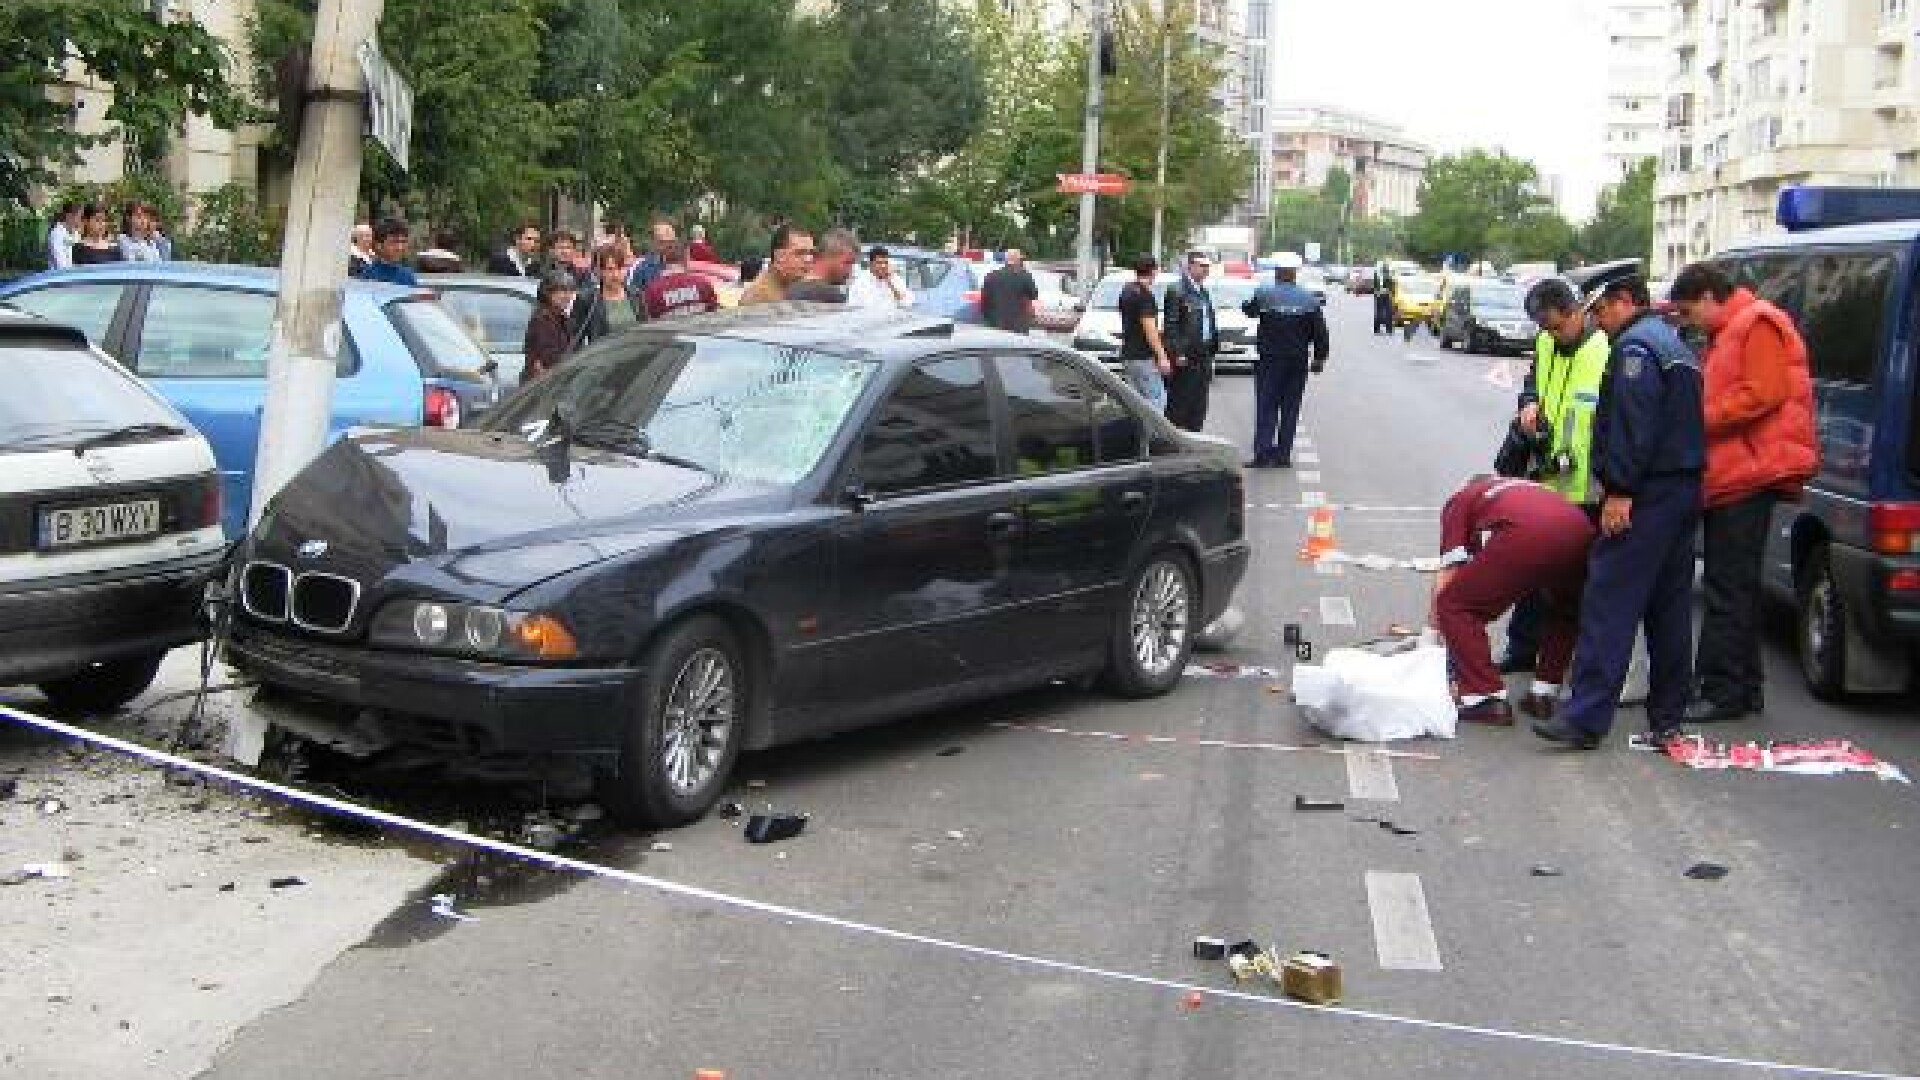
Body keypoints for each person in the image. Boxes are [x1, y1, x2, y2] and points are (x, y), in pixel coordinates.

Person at [1533, 271, 1705, 750]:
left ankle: (1586, 716)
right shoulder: (1671, 344)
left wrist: (1621, 491)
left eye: (1602, 309)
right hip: (1682, 490)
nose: (1598, 320)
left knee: (1608, 599)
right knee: (1668, 608)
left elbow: (1634, 426)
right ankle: (1668, 716)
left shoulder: (1634, 350)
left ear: (1625, 301)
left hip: (1645, 493)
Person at [1670, 261, 1817, 724]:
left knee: (1727, 587)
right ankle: (1742, 684)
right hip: (1737, 471)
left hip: (1748, 473)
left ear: (1711, 297)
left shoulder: (1758, 322)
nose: (1688, 322)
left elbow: (1764, 393)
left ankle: (1723, 690)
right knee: (1734, 585)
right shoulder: (1732, 329)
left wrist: (1701, 417)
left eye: (1689, 311)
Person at [1498, 277, 1610, 677]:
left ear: (1578, 311)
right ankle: (1522, 649)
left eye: (1558, 326)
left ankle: (1562, 660)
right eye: (1545, 329)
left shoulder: (1605, 349)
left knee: (1573, 583)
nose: (1552, 335)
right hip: (1544, 477)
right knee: (1531, 570)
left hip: (1588, 488)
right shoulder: (1546, 343)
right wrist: (1528, 405)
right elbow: (1533, 383)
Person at [1433, 476, 1596, 725]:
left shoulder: (1460, 500)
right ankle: (1543, 693)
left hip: (1527, 534)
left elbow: (1451, 572)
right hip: (1580, 530)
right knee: (1566, 610)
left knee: (1456, 605)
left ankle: (1485, 697)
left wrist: (1431, 635)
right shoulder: (1522, 487)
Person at [1240, 252, 1329, 468]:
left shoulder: (1264, 294)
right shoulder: (1309, 299)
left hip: (1269, 359)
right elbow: (1320, 332)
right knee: (1290, 407)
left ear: (1277, 273)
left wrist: (1249, 303)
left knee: (1266, 405)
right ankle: (1283, 456)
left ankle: (1262, 453)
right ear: (1295, 274)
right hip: (1297, 361)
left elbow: (1249, 311)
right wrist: (1319, 359)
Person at [1159, 250, 1222, 432]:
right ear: (1190, 267)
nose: (1205, 270)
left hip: (1204, 354)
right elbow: (1170, 325)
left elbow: (1207, 320)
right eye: (1202, 266)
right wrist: (1177, 352)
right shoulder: (1177, 290)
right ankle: (1174, 443)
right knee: (1180, 402)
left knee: (1199, 403)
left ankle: (1195, 440)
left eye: (1207, 267)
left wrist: (1212, 347)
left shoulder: (1202, 291)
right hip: (1186, 355)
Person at [1116, 255, 1172, 410]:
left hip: (1128, 354)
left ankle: (1136, 434)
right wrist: (1162, 357)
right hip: (1143, 357)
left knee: (1135, 404)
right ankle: (1154, 434)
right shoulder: (1145, 296)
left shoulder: (1127, 290)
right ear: (1154, 271)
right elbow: (1150, 329)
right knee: (1157, 401)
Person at [570, 245, 645, 348]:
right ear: (599, 271)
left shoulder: (635, 294)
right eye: (610, 269)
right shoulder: (588, 299)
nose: (615, 274)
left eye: (620, 268)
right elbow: (575, 339)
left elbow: (646, 328)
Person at [521, 271, 579, 385]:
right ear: (548, 293)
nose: (567, 296)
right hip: (541, 388)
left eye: (570, 291)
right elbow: (549, 359)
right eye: (562, 291)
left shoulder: (563, 319)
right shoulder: (541, 320)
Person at [640, 240, 721, 319]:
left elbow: (651, 322)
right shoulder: (702, 283)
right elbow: (715, 315)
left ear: (663, 259)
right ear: (686, 259)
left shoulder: (652, 291)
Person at [740, 224, 815, 305]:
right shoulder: (758, 298)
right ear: (779, 257)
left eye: (811, 253)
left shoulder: (801, 288)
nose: (808, 259)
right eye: (800, 253)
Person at [786, 227, 858, 303]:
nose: (850, 270)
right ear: (829, 257)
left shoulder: (790, 286)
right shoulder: (830, 295)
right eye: (848, 262)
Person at [980, 248, 1039, 334]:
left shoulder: (991, 276)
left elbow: (984, 300)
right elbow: (1034, 295)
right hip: (1017, 325)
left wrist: (987, 317)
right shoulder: (1024, 276)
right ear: (1018, 261)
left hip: (994, 324)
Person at [847, 246, 915, 310]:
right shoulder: (860, 283)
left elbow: (907, 303)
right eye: (879, 263)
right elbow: (855, 308)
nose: (883, 266)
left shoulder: (895, 279)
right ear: (870, 264)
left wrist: (890, 283)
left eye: (885, 263)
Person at [360, 219, 420, 286]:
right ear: (378, 245)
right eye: (394, 242)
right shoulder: (368, 274)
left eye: (403, 242)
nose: (399, 247)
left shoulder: (407, 274)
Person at [626, 218, 676, 292]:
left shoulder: (683, 265)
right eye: (662, 242)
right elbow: (629, 292)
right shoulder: (639, 266)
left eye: (671, 242)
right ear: (653, 242)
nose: (667, 246)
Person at [46, 201, 80, 270]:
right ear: (69, 216)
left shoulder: (75, 233)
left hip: (74, 274)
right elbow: (60, 262)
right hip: (60, 276)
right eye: (79, 217)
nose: (81, 220)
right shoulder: (57, 233)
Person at [1372, 261, 1397, 335]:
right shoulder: (1389, 275)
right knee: (1388, 313)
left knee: (1378, 312)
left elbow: (1374, 285)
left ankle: (1377, 330)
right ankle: (1389, 330)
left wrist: (1376, 293)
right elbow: (1392, 285)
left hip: (1379, 295)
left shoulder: (1377, 275)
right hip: (1386, 295)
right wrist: (1392, 293)